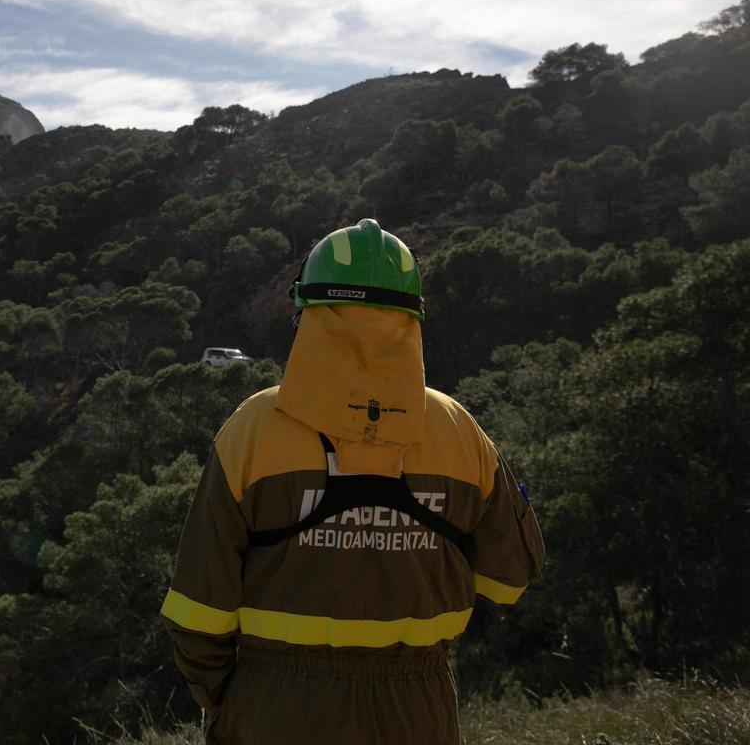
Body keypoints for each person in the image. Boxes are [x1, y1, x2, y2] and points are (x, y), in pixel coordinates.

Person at [160, 219, 545, 744]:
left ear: (308, 315)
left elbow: (198, 609)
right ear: (412, 318)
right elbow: (511, 579)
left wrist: (219, 694)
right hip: (417, 711)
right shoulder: (460, 432)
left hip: (276, 710)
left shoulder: (252, 429)